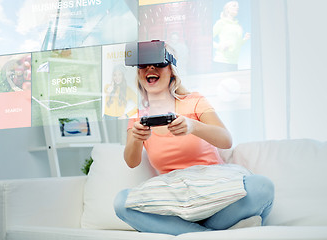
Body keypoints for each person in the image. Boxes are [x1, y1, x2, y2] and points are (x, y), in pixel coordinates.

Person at [114, 42, 274, 235]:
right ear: (139, 73)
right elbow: (132, 161)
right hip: (174, 199)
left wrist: (193, 126)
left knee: (263, 187)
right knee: (122, 202)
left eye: (158, 62)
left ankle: (189, 233)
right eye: (143, 64)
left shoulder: (194, 101)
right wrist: (137, 138)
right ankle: (207, 235)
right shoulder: (137, 116)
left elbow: (226, 140)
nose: (150, 68)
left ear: (171, 70)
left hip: (216, 192)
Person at [213, 1, 251, 72]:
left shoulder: (238, 25)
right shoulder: (221, 22)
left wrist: (244, 39)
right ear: (227, 9)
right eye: (234, 6)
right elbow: (209, 39)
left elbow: (237, 44)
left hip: (234, 63)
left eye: (237, 6)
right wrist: (220, 46)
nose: (237, 7)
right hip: (221, 62)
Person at [103, 64, 137, 143]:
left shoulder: (128, 90)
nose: (117, 77)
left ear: (123, 76)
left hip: (120, 119)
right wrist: (110, 89)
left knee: (121, 142)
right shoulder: (108, 86)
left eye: (119, 74)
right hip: (108, 117)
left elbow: (139, 105)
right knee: (110, 142)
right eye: (114, 75)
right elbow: (106, 90)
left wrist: (127, 115)